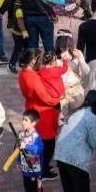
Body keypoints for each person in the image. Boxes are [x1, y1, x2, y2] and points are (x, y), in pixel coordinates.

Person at [53, 90, 96, 192]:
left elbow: (80, 130)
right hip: (76, 160)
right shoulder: (92, 117)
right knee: (82, 190)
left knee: (69, 190)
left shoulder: (77, 112)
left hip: (61, 155)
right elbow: (95, 143)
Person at [18, 48, 60, 181]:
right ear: (33, 60)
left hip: (32, 107)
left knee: (40, 141)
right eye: (39, 59)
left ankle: (42, 166)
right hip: (42, 112)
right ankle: (44, 170)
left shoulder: (23, 73)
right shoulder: (33, 77)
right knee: (48, 143)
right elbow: (45, 97)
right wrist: (58, 99)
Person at [54, 31, 89, 117]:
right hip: (62, 92)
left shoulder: (77, 54)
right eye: (63, 47)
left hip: (76, 89)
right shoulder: (55, 57)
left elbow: (87, 71)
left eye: (68, 46)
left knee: (77, 117)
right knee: (62, 118)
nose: (65, 49)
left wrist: (80, 58)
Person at [0, 0, 28, 74]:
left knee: (24, 47)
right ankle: (11, 64)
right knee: (18, 49)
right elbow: (20, 21)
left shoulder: (19, 4)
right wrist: (23, 31)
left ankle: (22, 62)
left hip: (21, 31)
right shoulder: (19, 8)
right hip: (18, 33)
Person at [18, 109, 45, 192]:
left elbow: (39, 149)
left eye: (26, 120)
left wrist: (26, 146)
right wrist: (19, 162)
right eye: (22, 119)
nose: (23, 122)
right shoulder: (21, 135)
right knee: (28, 190)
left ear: (33, 123)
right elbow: (19, 150)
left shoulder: (36, 136)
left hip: (35, 171)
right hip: (25, 169)